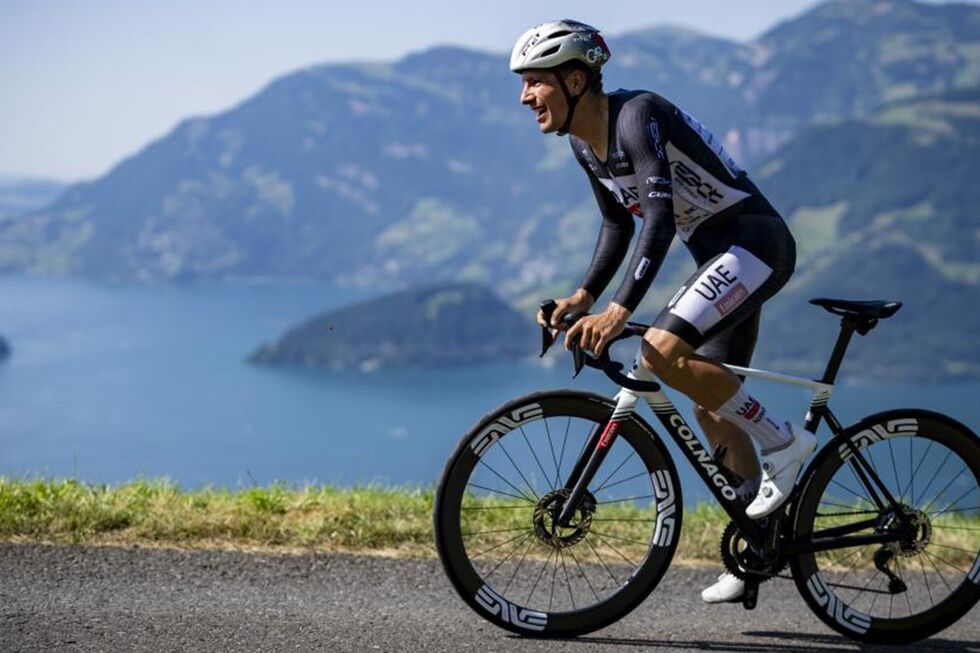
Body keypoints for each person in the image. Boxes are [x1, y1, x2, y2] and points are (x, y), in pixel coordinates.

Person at [511, 20, 816, 604]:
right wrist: (584, 298)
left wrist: (622, 308)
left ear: (576, 80)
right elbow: (615, 221)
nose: (525, 97)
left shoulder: (636, 116)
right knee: (711, 408)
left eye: (534, 83)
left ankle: (785, 444)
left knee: (661, 351)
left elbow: (656, 216)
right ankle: (759, 542)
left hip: (755, 243)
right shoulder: (584, 143)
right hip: (719, 255)